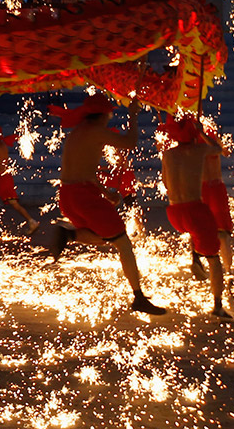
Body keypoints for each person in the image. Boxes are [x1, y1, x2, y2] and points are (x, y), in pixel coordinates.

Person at [49, 94, 166, 316]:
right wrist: (132, 115)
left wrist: (105, 192)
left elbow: (82, 170)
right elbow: (130, 143)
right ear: (102, 114)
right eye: (109, 113)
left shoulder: (79, 133)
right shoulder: (95, 131)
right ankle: (139, 297)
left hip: (68, 194)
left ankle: (68, 235)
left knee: (104, 238)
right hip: (83, 196)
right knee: (123, 243)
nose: (110, 117)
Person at [160, 114, 231, 318]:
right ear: (193, 135)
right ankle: (217, 304)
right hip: (194, 209)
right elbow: (219, 150)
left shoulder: (167, 155)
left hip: (174, 212)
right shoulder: (200, 149)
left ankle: (195, 258)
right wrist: (202, 132)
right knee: (214, 258)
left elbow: (165, 183)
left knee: (194, 230)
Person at [0, 123, 39, 234]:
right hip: (7, 177)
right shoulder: (3, 146)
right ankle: (32, 221)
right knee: (14, 203)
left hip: (1, 179)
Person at [196, 123, 234, 279]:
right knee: (201, 231)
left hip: (215, 187)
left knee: (222, 233)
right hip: (203, 188)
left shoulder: (209, 133)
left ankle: (228, 271)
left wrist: (203, 135)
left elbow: (225, 151)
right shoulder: (191, 137)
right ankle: (206, 266)